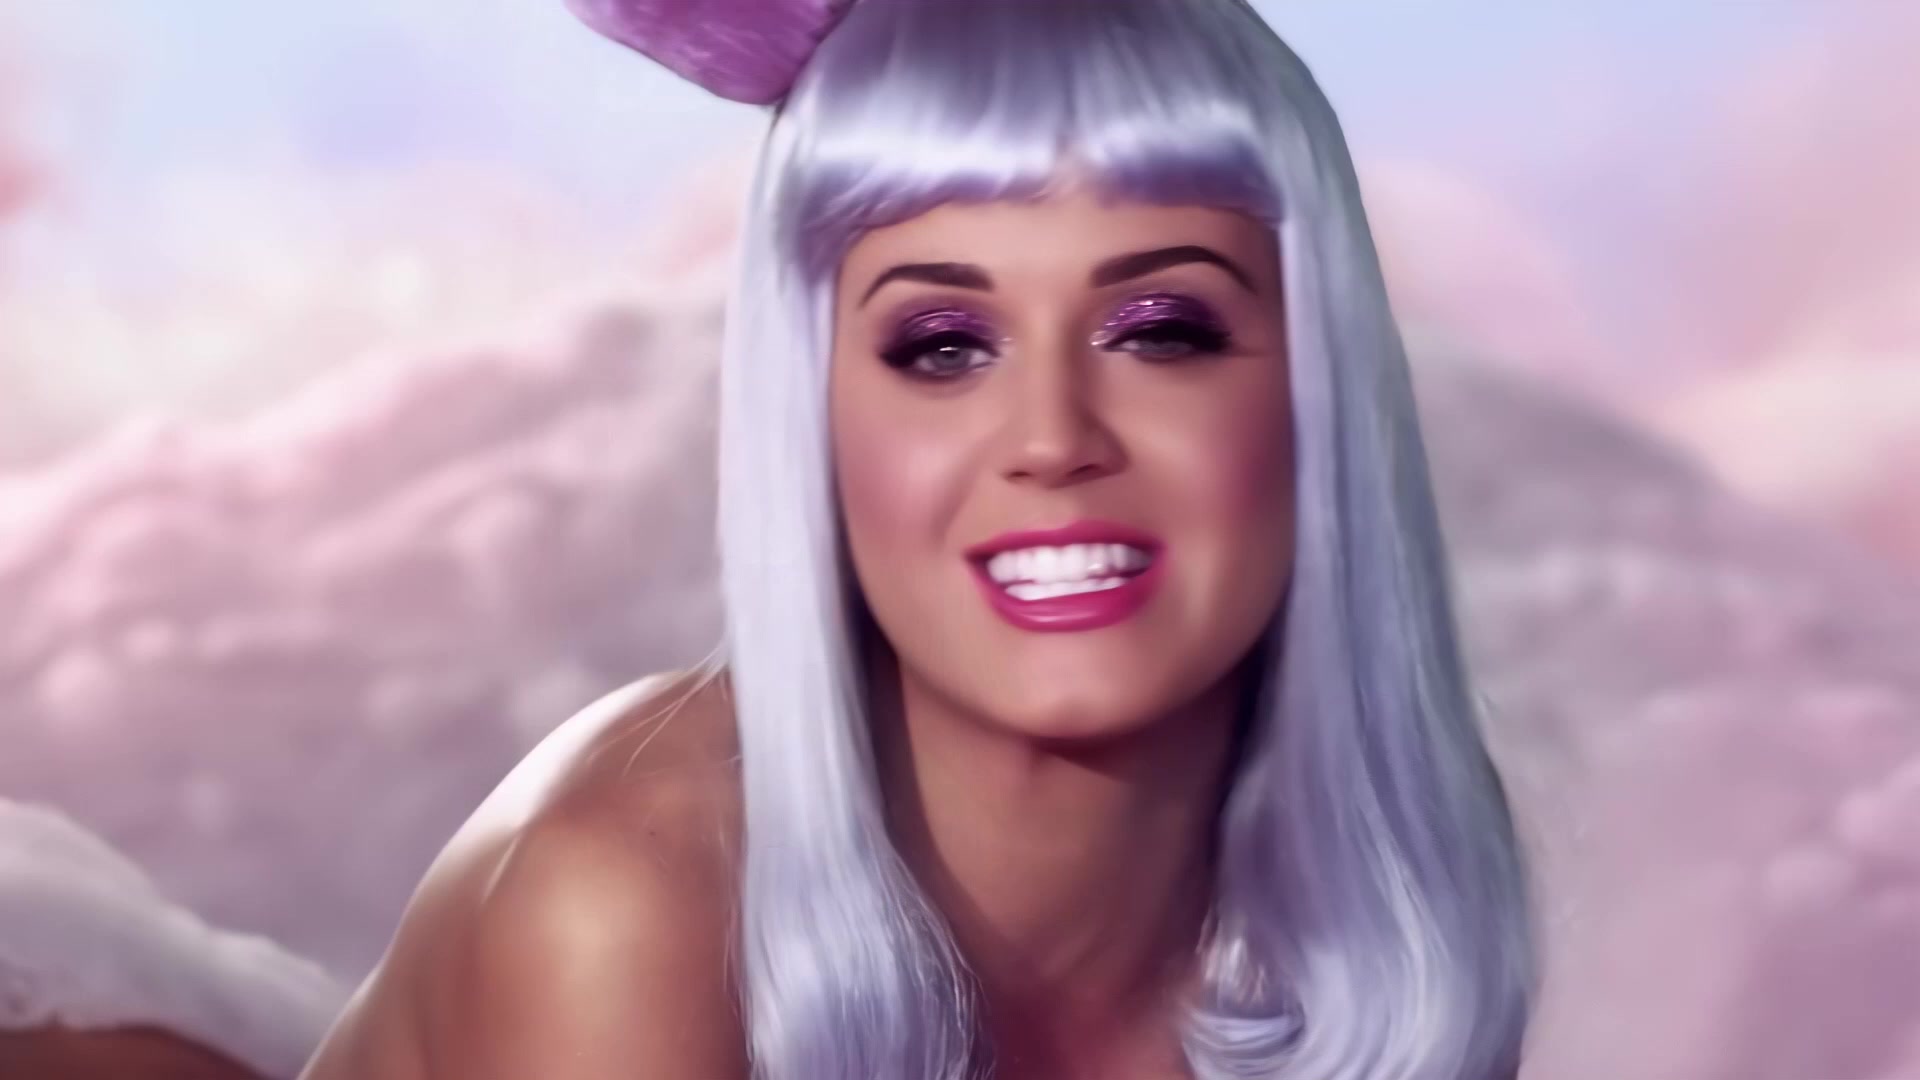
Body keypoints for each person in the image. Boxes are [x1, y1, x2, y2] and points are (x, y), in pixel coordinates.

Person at [298, 0, 1537, 1076]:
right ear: (811, 414)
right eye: (943, 347)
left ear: (1318, 388)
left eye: (1162, 331)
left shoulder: (1390, 882)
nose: (1052, 437)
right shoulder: (618, 913)